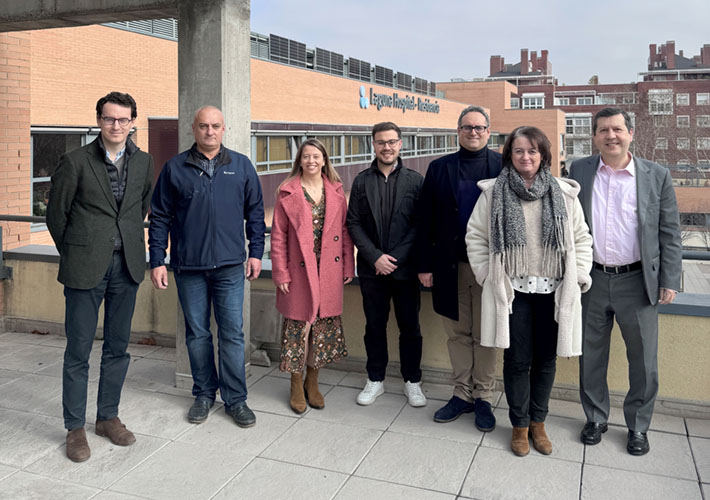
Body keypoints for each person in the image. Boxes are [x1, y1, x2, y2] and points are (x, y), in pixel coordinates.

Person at [466, 126, 593, 456]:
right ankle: (520, 426)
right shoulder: (493, 193)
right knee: (517, 360)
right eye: (519, 151)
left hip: (553, 291)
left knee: (546, 360)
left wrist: (579, 276)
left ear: (543, 156)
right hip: (513, 292)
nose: (526, 157)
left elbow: (581, 239)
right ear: (509, 154)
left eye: (532, 151)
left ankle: (539, 422)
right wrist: (487, 276)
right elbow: (476, 238)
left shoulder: (564, 194)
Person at [47, 91, 154, 462]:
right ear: (98, 120)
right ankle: (74, 427)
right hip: (84, 268)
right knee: (78, 351)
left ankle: (107, 417)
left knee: (117, 349)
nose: (116, 126)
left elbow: (138, 208)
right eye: (110, 119)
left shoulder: (144, 162)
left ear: (133, 123)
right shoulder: (75, 161)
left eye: (123, 120)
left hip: (127, 267)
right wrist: (79, 252)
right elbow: (56, 216)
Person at [569, 108, 682, 456]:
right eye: (603, 130)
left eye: (617, 129)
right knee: (591, 356)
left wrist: (669, 279)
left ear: (630, 133)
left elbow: (670, 231)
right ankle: (596, 418)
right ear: (594, 137)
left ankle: (638, 426)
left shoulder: (655, 174)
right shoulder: (579, 171)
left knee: (644, 360)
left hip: (638, 281)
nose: (610, 136)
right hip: (592, 279)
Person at [148, 106, 265, 428]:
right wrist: (157, 259)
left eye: (215, 126)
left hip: (230, 267)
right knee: (197, 334)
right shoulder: (174, 169)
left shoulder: (240, 166)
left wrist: (256, 252)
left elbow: (255, 214)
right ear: (194, 129)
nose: (209, 131)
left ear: (223, 129)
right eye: (203, 126)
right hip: (189, 268)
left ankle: (236, 400)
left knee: (232, 334)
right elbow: (159, 218)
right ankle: (203, 394)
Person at [416, 105, 502, 430]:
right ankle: (462, 394)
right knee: (458, 334)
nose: (474, 132)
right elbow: (424, 221)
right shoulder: (439, 168)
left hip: (489, 269)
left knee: (486, 334)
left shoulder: (502, 166)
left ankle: (484, 397)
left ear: (488, 131)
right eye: (468, 127)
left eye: (480, 128)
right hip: (448, 266)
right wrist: (425, 265)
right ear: (458, 131)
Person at [270, 139, 355, 414]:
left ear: (324, 160)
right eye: (306, 156)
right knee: (298, 328)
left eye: (316, 156)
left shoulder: (337, 192)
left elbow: (344, 233)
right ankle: (296, 384)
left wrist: (348, 267)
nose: (311, 161)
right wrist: (280, 272)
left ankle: (313, 381)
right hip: (298, 272)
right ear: (300, 161)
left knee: (322, 329)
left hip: (328, 270)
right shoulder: (287, 192)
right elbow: (278, 236)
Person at [346, 122, 425, 407]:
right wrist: (375, 257)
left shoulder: (416, 180)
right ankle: (375, 379)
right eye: (381, 142)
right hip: (372, 270)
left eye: (392, 142)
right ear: (374, 145)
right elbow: (353, 222)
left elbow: (420, 225)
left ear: (400, 144)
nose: (387, 147)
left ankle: (412, 381)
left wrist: (395, 259)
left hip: (405, 270)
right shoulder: (361, 180)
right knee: (374, 327)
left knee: (410, 327)